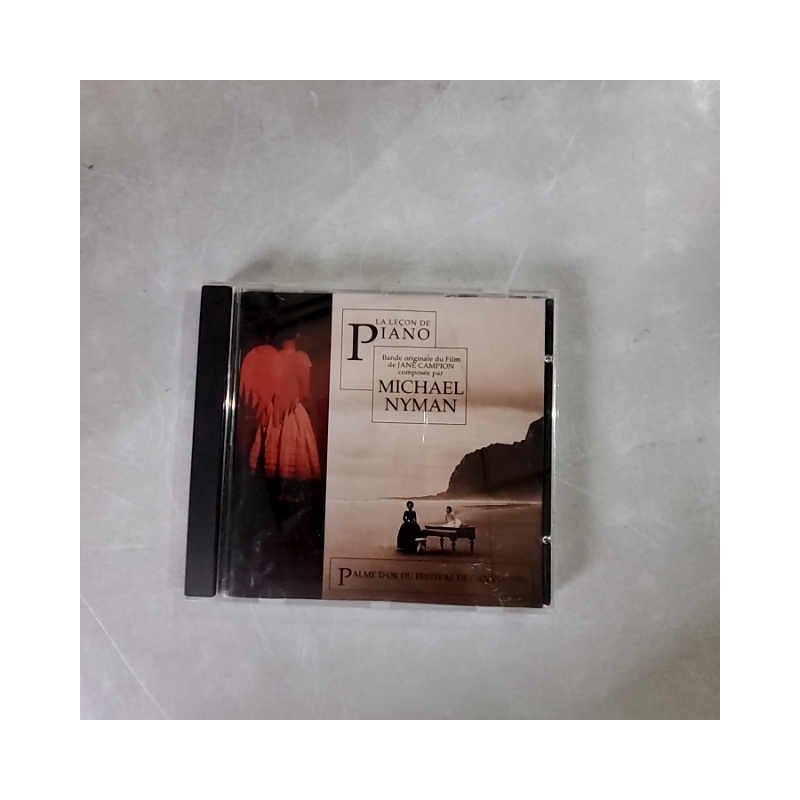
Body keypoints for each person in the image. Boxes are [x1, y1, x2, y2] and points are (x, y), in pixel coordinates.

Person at [240, 330, 321, 481]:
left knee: (270, 458)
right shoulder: (301, 357)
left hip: (271, 414)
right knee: (295, 460)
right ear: (297, 334)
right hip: (292, 413)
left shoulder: (270, 358)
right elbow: (305, 395)